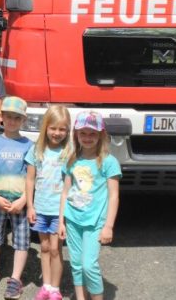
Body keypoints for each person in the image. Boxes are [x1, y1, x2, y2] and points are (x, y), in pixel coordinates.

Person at [58, 111, 121, 300]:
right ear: (76, 134)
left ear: (101, 135)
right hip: (73, 219)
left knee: (88, 265)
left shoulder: (109, 162)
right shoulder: (71, 159)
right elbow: (65, 192)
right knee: (76, 264)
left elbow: (114, 195)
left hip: (95, 222)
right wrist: (61, 221)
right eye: (83, 133)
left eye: (92, 133)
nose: (87, 137)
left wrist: (108, 226)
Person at [0, 96, 33, 300]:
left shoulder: (29, 145)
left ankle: (15, 279)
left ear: (23, 120)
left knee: (21, 241)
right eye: (8, 117)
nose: (12, 121)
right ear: (1, 117)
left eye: (16, 118)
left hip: (20, 202)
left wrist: (24, 200)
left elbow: (32, 177)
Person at [25, 106, 72, 300]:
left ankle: (55, 288)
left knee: (55, 248)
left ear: (68, 130)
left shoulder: (68, 152)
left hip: (58, 210)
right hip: (40, 208)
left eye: (62, 129)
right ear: (45, 127)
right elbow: (29, 180)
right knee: (44, 247)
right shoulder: (37, 150)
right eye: (53, 128)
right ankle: (45, 285)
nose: (57, 133)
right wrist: (30, 205)